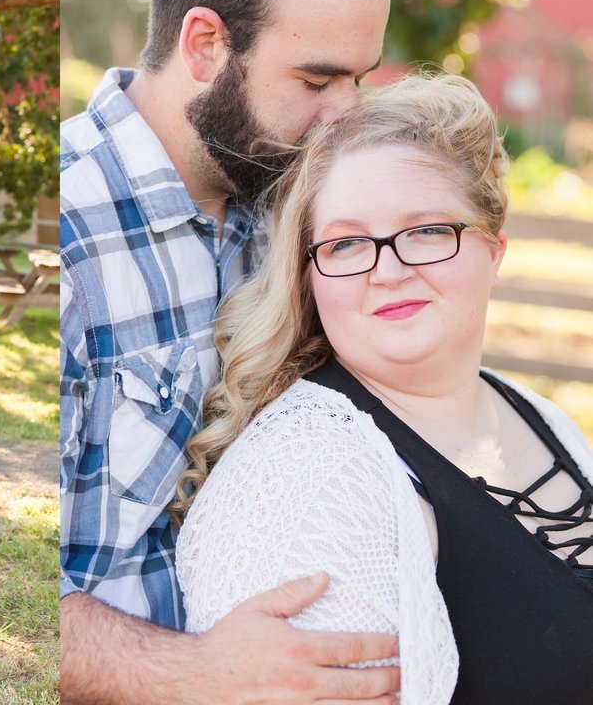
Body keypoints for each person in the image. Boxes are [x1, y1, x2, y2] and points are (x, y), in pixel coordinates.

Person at [59, 0, 399, 701]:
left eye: (359, 77)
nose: (344, 113)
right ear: (207, 45)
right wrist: (193, 674)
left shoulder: (293, 209)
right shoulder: (74, 235)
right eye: (316, 79)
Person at [175, 73, 593, 704]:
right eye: (345, 243)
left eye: (427, 230)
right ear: (310, 274)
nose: (389, 270)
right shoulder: (306, 479)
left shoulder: (543, 418)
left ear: (494, 250)